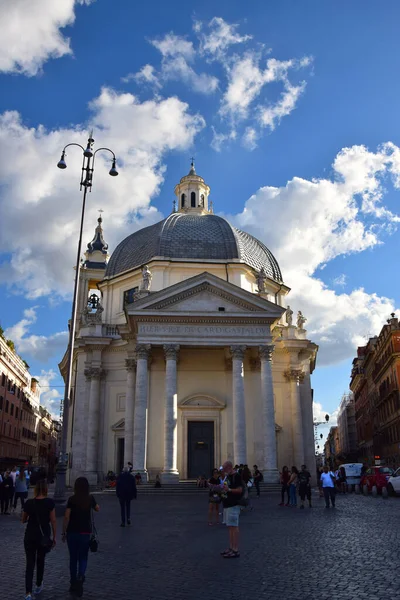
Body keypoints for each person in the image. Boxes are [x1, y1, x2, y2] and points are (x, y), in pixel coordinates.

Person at [62, 477, 99, 597]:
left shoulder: (72, 499)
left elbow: (66, 517)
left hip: (72, 532)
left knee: (73, 558)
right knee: (83, 557)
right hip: (85, 532)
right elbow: (97, 509)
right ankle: (81, 576)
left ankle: (73, 583)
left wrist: (63, 532)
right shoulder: (89, 498)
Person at [22, 479, 56, 600]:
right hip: (43, 537)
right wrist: (55, 536)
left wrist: (28, 517)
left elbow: (23, 519)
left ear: (35, 490)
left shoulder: (29, 503)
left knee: (29, 564)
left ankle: (28, 593)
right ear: (46, 489)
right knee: (40, 561)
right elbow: (53, 521)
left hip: (30, 536)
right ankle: (38, 585)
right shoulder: (50, 503)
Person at [220, 461, 243, 559]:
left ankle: (235, 549)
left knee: (234, 527)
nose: (224, 471)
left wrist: (228, 490)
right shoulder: (228, 476)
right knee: (230, 527)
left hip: (234, 504)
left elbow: (240, 490)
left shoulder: (237, 476)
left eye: (225, 469)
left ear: (229, 467)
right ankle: (231, 547)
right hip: (227, 504)